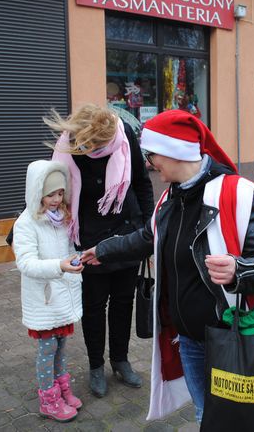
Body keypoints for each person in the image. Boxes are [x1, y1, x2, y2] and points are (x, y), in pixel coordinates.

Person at [80, 110, 254, 424]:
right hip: (187, 339)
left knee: (235, 421)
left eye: (151, 154)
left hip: (230, 338)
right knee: (206, 414)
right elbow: (147, 237)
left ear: (174, 150)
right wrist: (103, 251)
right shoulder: (168, 200)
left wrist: (237, 270)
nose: (148, 163)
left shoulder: (238, 194)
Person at [45, 104, 154, 397]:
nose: (94, 149)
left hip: (127, 232)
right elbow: (51, 190)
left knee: (123, 302)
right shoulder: (70, 145)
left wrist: (148, 232)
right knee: (94, 306)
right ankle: (96, 366)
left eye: (99, 145)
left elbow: (142, 184)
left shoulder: (125, 135)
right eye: (90, 144)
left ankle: (120, 360)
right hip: (90, 237)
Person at [13, 160, 84, 422]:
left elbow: (65, 251)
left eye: (60, 193)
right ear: (37, 192)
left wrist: (74, 259)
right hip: (44, 299)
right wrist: (60, 266)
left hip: (62, 296)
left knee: (61, 347)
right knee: (47, 350)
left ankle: (63, 390)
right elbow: (26, 263)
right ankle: (48, 399)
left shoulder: (60, 220)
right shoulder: (26, 223)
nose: (56, 199)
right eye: (51, 194)